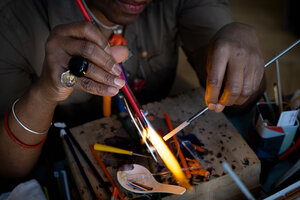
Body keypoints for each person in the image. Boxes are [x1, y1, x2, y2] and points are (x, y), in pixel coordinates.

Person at [0, 0, 265, 181]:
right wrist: (47, 90)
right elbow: (9, 169)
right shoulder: (15, 19)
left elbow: (240, 104)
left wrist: (242, 52)